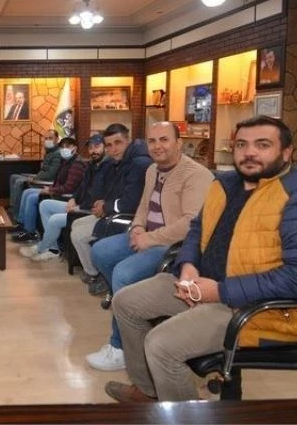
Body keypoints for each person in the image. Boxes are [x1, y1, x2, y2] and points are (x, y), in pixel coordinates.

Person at [105, 116, 297, 403]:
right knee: (125, 302)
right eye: (241, 144)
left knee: (161, 344)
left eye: (262, 145)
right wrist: (188, 265)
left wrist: (219, 291)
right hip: (203, 286)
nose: (249, 152)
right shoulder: (226, 183)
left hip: (258, 310)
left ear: (286, 152)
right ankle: (149, 392)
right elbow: (197, 229)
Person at [85, 121, 213, 372]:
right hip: (146, 235)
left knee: (123, 273)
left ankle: (121, 347)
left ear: (179, 143)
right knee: (100, 251)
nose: (157, 146)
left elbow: (191, 224)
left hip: (174, 245)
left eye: (164, 139)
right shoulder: (152, 169)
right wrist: (137, 228)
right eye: (152, 141)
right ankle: (134, 315)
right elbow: (143, 206)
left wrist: (149, 239)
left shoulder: (196, 175)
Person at [69, 125, 151, 295]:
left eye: (118, 143)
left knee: (78, 235)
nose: (113, 149)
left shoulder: (138, 164)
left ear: (128, 140)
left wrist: (106, 207)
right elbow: (114, 191)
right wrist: (103, 203)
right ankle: (95, 272)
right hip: (114, 212)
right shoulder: (121, 162)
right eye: (109, 145)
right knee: (76, 224)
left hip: (127, 219)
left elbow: (132, 202)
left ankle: (97, 275)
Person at [19, 132, 106, 261]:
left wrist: (78, 206)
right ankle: (52, 248)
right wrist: (73, 199)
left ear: (105, 147)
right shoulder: (90, 166)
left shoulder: (101, 167)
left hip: (88, 210)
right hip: (77, 203)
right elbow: (81, 187)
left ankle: (43, 248)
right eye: (91, 148)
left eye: (97, 147)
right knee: (45, 205)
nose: (93, 151)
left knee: (54, 219)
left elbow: (97, 196)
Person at [11, 137, 85, 243]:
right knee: (27, 192)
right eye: (62, 147)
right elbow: (58, 180)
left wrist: (51, 190)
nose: (64, 149)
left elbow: (69, 187)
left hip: (65, 196)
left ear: (75, 148)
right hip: (55, 190)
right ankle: (22, 224)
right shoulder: (66, 161)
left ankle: (30, 232)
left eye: (67, 146)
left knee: (31, 197)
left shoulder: (77, 164)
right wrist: (50, 188)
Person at [8, 129, 61, 219]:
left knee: (19, 181)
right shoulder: (49, 151)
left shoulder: (57, 154)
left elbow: (50, 175)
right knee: (13, 176)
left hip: (45, 182)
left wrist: (34, 179)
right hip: (40, 177)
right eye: (46, 138)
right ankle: (13, 207)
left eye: (50, 138)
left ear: (56, 139)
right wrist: (34, 176)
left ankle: (16, 215)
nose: (48, 140)